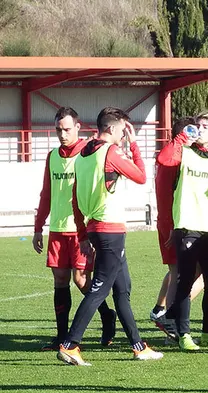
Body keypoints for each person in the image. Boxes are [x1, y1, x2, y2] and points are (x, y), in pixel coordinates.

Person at [57, 107, 163, 365]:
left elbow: (74, 199)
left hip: (95, 228)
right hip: (110, 230)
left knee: (122, 290)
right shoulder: (110, 152)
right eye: (123, 130)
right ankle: (70, 344)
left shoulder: (83, 155)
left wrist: (83, 234)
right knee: (99, 289)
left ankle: (138, 346)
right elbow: (140, 176)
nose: (124, 135)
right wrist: (134, 145)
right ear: (113, 128)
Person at [33, 107, 116, 350]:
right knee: (60, 280)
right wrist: (38, 227)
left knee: (81, 280)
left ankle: (106, 315)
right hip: (58, 229)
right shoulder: (52, 156)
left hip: (81, 229)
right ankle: (61, 336)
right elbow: (46, 193)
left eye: (67, 129)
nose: (62, 134)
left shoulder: (88, 152)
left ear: (78, 127)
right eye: (58, 130)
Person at [157, 111, 208, 351]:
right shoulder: (185, 152)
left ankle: (207, 332)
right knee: (184, 281)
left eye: (206, 126)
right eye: (198, 125)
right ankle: (183, 334)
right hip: (188, 225)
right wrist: (181, 138)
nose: (201, 129)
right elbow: (164, 159)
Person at [149, 117, 205, 334]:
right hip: (174, 222)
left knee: (179, 271)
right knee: (196, 272)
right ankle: (171, 316)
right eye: (194, 133)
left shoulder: (175, 155)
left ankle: (167, 315)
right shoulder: (172, 156)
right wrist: (174, 225)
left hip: (170, 220)